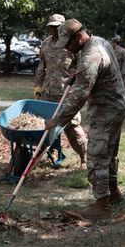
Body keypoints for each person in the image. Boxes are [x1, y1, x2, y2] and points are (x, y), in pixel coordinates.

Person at [45, 19, 125, 220]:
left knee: (97, 156)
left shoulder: (90, 56)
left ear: (80, 37)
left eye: (68, 43)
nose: (66, 48)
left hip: (106, 110)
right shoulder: (98, 42)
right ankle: (114, 193)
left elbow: (79, 96)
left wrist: (56, 120)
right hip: (117, 106)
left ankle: (102, 205)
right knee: (109, 152)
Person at [34, 14, 88, 169]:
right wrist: (38, 86)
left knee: (72, 128)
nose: (55, 30)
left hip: (67, 94)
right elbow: (41, 67)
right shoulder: (45, 44)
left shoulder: (73, 44)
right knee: (45, 126)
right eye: (52, 27)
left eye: (58, 27)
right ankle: (41, 156)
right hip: (48, 93)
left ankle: (84, 157)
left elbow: (82, 67)